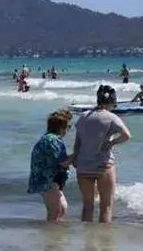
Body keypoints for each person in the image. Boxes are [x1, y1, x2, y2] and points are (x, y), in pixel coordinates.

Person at [73, 85, 131, 223]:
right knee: (106, 207)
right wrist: (112, 143)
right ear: (111, 102)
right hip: (103, 165)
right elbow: (126, 136)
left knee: (87, 206)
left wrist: (75, 159)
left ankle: (87, 235)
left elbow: (77, 142)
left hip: (83, 166)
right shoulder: (111, 117)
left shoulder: (83, 116)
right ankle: (103, 236)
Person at [27, 110, 73, 222]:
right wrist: (78, 153)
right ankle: (51, 231)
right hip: (46, 179)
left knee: (62, 208)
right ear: (61, 127)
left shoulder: (50, 138)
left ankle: (53, 230)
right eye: (68, 126)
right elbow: (63, 162)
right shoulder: (52, 140)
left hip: (49, 178)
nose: (69, 129)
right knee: (55, 211)